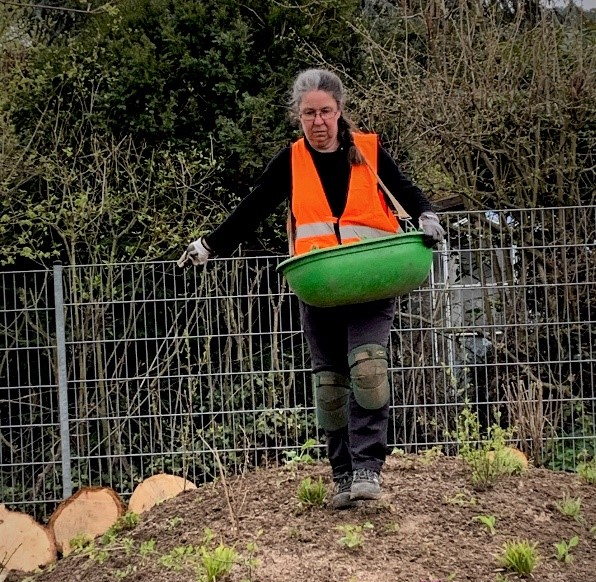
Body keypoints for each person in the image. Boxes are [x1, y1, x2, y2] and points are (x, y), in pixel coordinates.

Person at [178, 68, 445, 510]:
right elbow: (253, 208)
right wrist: (209, 245)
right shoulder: (292, 161)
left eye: (325, 112)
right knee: (330, 386)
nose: (318, 121)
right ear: (298, 117)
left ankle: (367, 469)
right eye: (308, 114)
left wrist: (427, 215)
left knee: (368, 370)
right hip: (320, 285)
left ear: (339, 112)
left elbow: (406, 190)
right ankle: (340, 474)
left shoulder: (369, 151)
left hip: (372, 280)